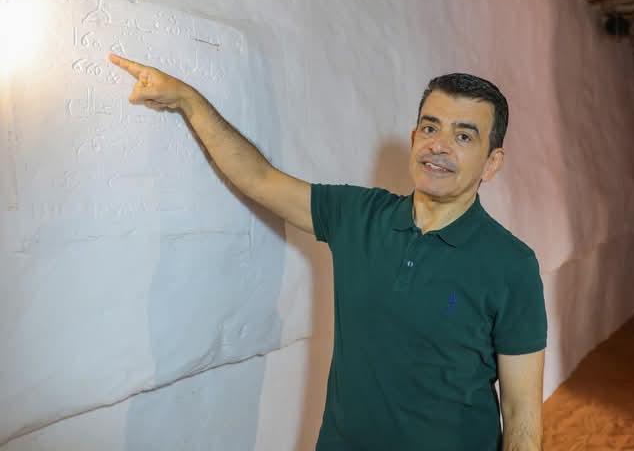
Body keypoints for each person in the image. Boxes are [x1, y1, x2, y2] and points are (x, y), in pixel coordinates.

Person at [109, 53, 547, 451]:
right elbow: (258, 178)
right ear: (414, 138)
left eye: (464, 136)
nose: (439, 145)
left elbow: (522, 415)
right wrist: (188, 100)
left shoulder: (512, 265)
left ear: (492, 162)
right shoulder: (358, 215)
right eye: (431, 128)